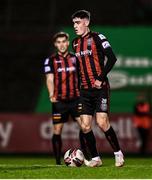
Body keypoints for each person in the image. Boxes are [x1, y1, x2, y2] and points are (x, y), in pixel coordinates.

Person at [71, 10, 124, 167]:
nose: (75, 26)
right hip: (85, 91)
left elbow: (112, 58)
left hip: (100, 88)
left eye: (78, 22)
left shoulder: (98, 38)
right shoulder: (75, 43)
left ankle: (118, 153)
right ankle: (95, 158)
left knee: (102, 122)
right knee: (85, 126)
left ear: (86, 22)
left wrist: (100, 78)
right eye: (73, 23)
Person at [44, 32, 89, 164]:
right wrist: (51, 94)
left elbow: (83, 76)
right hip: (59, 101)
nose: (62, 44)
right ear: (55, 44)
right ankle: (58, 162)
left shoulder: (76, 58)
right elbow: (49, 79)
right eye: (59, 42)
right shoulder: (50, 60)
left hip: (76, 100)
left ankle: (87, 157)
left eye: (64, 41)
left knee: (84, 127)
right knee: (57, 130)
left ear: (68, 43)